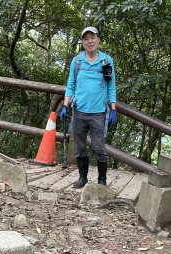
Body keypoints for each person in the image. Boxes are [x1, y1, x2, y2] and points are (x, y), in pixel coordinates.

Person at [60, 26, 117, 188]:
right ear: (83, 42)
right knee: (80, 148)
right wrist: (65, 106)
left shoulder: (106, 61)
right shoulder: (77, 61)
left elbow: (111, 86)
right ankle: (82, 178)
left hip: (99, 113)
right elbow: (71, 85)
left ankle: (102, 181)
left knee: (99, 147)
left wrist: (113, 108)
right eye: (86, 39)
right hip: (79, 111)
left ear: (98, 40)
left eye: (92, 38)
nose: (89, 41)